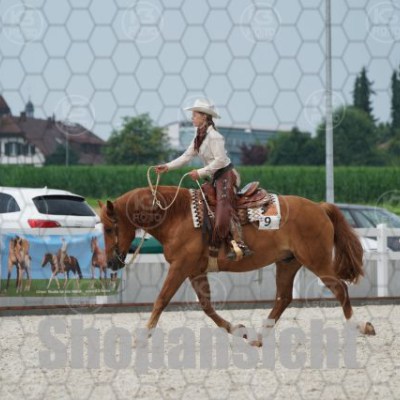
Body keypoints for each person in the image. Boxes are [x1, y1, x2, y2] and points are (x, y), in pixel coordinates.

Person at [155, 98, 253, 260]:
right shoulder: (198, 136)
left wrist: (200, 172)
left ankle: (238, 243)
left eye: (195, 115)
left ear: (204, 117)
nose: (192, 118)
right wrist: (167, 166)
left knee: (223, 208)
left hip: (226, 176)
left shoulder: (215, 137)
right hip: (215, 177)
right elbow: (187, 156)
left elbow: (220, 160)